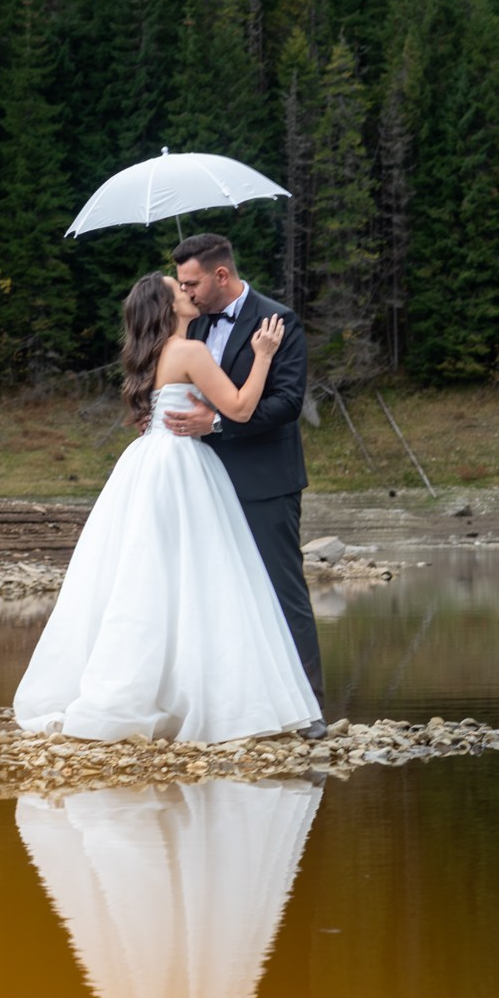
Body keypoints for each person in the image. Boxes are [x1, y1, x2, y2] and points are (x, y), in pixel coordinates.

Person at [13, 272, 319, 744]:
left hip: (147, 463)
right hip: (182, 466)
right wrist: (262, 358)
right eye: (179, 289)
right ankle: (206, 697)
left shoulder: (148, 355)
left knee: (148, 578)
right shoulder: (189, 351)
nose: (187, 291)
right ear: (167, 306)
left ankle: (142, 693)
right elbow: (238, 408)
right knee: (202, 579)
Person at [163, 234, 326, 735]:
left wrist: (215, 424)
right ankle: (237, 706)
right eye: (181, 286)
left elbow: (285, 404)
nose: (186, 293)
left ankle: (309, 710)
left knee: (281, 590)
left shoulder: (277, 321)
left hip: (263, 479)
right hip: (201, 483)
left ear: (220, 275)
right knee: (217, 593)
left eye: (192, 283)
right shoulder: (190, 328)